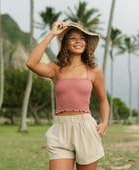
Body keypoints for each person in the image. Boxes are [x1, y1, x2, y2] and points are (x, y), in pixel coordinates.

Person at [26, 21, 109, 170]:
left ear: (87, 44)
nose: (78, 41)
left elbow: (103, 100)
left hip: (86, 129)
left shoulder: (94, 70)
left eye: (82, 38)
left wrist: (104, 123)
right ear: (65, 43)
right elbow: (31, 63)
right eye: (72, 38)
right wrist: (52, 34)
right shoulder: (56, 69)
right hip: (60, 130)